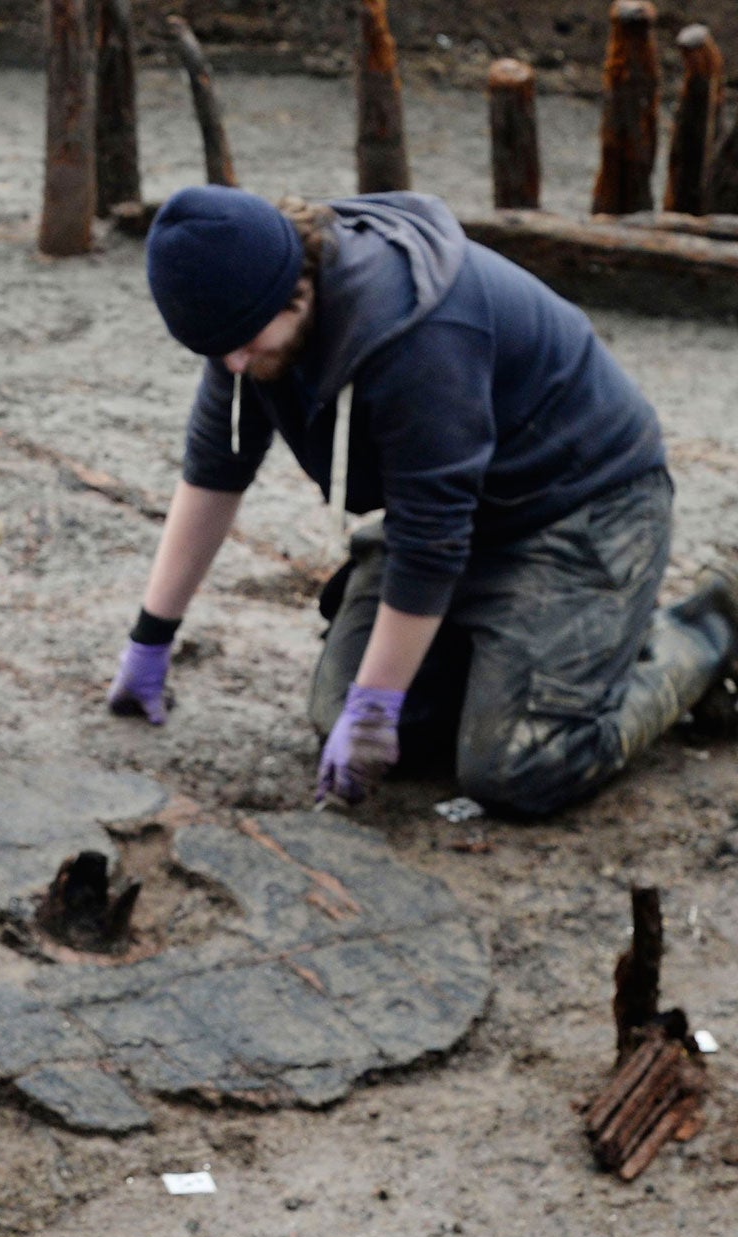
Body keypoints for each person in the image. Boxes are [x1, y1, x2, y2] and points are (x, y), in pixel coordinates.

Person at [110, 185, 738, 816]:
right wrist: (151, 638)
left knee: (517, 765)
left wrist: (377, 705)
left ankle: (703, 630)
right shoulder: (242, 326)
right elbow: (215, 472)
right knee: (341, 718)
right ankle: (510, 661)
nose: (235, 364)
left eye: (246, 343)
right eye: (218, 353)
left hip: (584, 508)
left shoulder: (416, 330)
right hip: (459, 510)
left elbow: (430, 540)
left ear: (296, 286)